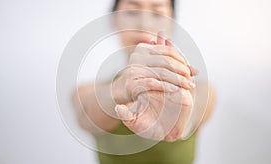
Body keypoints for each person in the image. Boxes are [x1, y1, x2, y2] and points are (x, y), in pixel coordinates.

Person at [73, 0, 216, 163]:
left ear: (171, 22)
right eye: (132, 11)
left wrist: (179, 118)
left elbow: (195, 112)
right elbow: (88, 116)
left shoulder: (201, 90)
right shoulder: (86, 91)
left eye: (157, 13)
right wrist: (120, 88)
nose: (144, 24)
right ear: (114, 19)